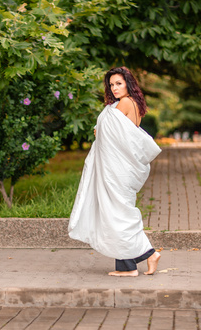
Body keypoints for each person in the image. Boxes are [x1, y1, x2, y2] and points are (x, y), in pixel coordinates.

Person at [68, 66, 162, 277]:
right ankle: (129, 265)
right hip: (120, 167)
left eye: (119, 83)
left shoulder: (126, 103)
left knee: (118, 214)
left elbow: (103, 130)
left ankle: (148, 254)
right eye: (111, 85)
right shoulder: (130, 104)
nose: (115, 88)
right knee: (117, 214)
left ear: (128, 83)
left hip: (118, 169)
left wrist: (97, 128)